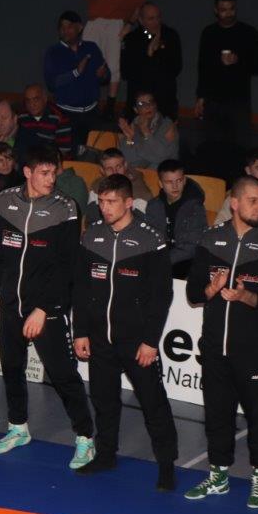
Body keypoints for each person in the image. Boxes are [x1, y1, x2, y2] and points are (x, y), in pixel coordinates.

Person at [185, 176, 258, 508]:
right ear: (234, 203)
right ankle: (218, 474)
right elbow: (193, 293)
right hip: (214, 346)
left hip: (253, 348)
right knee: (217, 412)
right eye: (253, 200)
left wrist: (247, 297)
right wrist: (211, 289)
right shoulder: (210, 239)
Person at [0, 145, 95, 468]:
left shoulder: (66, 208)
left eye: (54, 173)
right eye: (44, 173)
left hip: (47, 309)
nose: (51, 179)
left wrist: (43, 309)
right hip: (10, 305)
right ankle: (18, 427)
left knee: (62, 375)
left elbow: (67, 266)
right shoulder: (5, 201)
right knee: (12, 369)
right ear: (28, 172)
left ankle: (85, 437)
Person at [73, 174, 178, 490]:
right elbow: (81, 288)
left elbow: (162, 296)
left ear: (129, 202)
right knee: (103, 400)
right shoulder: (92, 236)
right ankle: (106, 454)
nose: (105, 208)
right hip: (99, 338)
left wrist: (150, 341)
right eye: (101, 202)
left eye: (112, 202)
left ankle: (166, 465)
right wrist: (80, 331)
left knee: (153, 403)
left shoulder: (151, 240)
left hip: (136, 341)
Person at [193, 0, 258, 180]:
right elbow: (203, 68)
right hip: (213, 101)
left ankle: (240, 185)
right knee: (212, 148)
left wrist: (238, 60)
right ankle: (214, 185)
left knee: (240, 149)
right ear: (216, 10)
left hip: (238, 101)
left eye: (231, 9)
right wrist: (200, 97)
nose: (228, 13)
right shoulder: (209, 33)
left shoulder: (248, 33)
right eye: (223, 10)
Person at [82, 0, 146, 114]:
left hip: (115, 23)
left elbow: (139, 4)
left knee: (113, 64)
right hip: (95, 22)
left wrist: (129, 24)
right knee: (87, 60)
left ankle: (110, 106)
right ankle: (89, 102)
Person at [43, 11, 107, 155]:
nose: (65, 30)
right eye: (62, 27)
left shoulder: (91, 48)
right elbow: (51, 83)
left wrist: (102, 75)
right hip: (66, 115)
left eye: (69, 26)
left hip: (92, 113)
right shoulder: (53, 52)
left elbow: (105, 77)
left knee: (95, 155)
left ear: (79, 27)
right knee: (70, 155)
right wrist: (76, 72)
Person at [145, 159, 207, 278]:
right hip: (161, 257)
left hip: (186, 261)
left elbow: (192, 246)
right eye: (169, 182)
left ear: (184, 180)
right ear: (160, 184)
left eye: (179, 180)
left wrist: (162, 260)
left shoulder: (195, 207)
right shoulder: (153, 206)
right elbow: (151, 239)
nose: (175, 186)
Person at [121, 3, 182, 120]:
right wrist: (148, 54)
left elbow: (176, 67)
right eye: (151, 19)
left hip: (164, 100)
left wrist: (157, 53)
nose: (156, 22)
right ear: (141, 20)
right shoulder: (132, 39)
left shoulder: (170, 35)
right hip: (140, 102)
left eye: (158, 17)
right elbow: (126, 72)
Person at [84, 148, 154, 222]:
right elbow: (91, 219)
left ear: (125, 165)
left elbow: (142, 222)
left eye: (118, 167)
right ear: (102, 170)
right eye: (109, 169)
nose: (115, 172)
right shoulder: (97, 187)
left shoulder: (140, 191)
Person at [117, 91, 179, 171]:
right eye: (141, 104)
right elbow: (128, 158)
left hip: (164, 172)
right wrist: (129, 139)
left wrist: (146, 133)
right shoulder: (134, 125)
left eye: (151, 102)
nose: (148, 106)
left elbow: (160, 157)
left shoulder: (167, 125)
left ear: (155, 105)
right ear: (136, 109)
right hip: (139, 171)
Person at [16, 84, 73, 160]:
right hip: (29, 160)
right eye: (28, 100)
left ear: (45, 99)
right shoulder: (21, 117)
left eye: (36, 99)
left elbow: (64, 151)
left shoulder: (59, 117)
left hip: (54, 161)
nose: (31, 104)